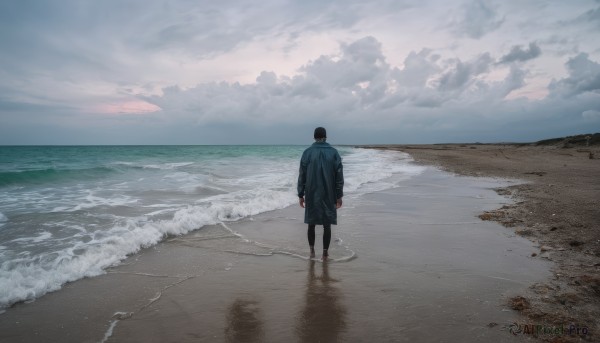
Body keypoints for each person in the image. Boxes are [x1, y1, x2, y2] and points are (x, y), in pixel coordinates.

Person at [297, 127, 344, 261]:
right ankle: (325, 254)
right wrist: (339, 196)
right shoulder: (334, 153)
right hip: (329, 193)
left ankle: (312, 252)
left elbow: (302, 176)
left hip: (311, 192)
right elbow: (339, 177)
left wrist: (300, 194)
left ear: (314, 137)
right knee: (327, 223)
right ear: (325, 137)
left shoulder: (307, 153)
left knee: (311, 223)